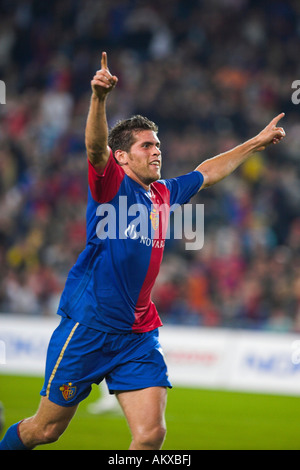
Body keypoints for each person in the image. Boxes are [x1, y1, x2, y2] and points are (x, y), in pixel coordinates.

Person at [0, 52, 285, 451]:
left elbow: (206, 172)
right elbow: (95, 147)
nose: (156, 151)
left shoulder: (163, 193)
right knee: (44, 431)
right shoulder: (110, 184)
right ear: (122, 157)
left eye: (158, 145)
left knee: (151, 436)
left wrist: (255, 143)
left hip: (137, 334)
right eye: (146, 145)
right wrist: (98, 98)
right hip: (89, 327)